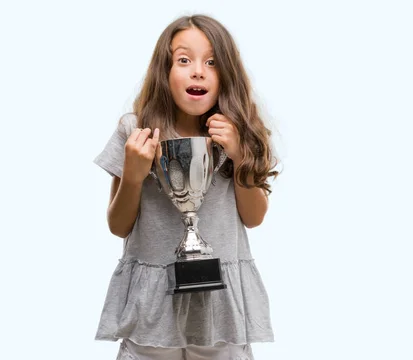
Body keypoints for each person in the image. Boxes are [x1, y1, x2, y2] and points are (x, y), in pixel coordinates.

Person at [93, 14, 279, 360]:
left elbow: (253, 218)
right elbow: (118, 225)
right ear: (164, 72)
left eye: (212, 62)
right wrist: (133, 175)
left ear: (227, 74)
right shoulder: (135, 131)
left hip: (218, 301)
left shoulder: (240, 133)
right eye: (183, 60)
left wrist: (240, 155)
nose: (198, 70)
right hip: (153, 304)